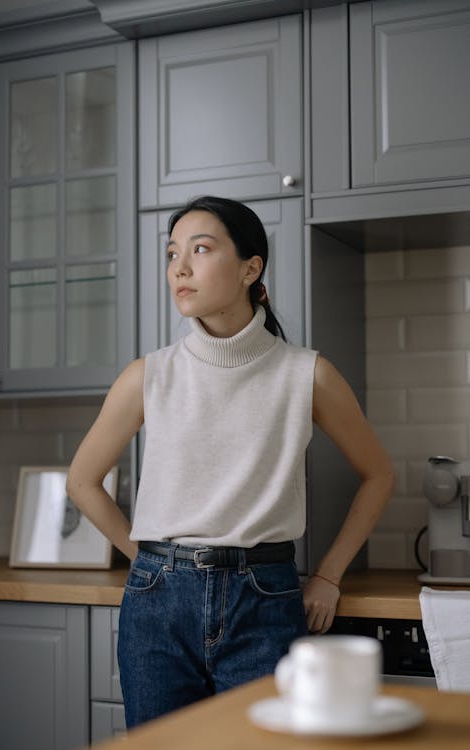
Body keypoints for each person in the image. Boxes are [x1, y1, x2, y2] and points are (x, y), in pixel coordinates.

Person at [66, 196, 395, 729]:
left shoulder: (307, 374)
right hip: (156, 609)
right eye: (173, 253)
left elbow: (380, 475)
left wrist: (329, 577)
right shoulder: (147, 376)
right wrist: (149, 562)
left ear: (251, 268)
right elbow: (82, 481)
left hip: (264, 600)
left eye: (201, 249)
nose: (180, 267)